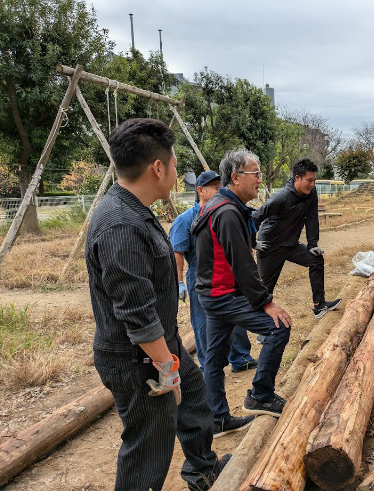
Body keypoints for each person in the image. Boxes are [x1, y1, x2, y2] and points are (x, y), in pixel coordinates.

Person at [85, 118, 226, 491]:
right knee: (149, 446)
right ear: (158, 167)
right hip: (137, 359)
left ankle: (202, 470)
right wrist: (167, 370)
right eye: (176, 164)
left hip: (160, 345)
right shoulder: (120, 225)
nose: (178, 172)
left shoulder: (135, 210)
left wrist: (173, 361)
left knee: (195, 400)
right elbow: (136, 315)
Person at [192, 148, 293, 436]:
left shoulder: (224, 205)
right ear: (236, 178)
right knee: (277, 327)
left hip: (213, 293)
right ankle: (260, 395)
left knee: (214, 356)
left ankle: (217, 418)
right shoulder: (225, 211)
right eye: (256, 173)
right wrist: (266, 303)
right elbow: (244, 264)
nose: (260, 180)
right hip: (222, 294)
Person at [169, 170, 257, 374]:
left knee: (237, 316)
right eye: (216, 188)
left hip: (228, 275)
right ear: (200, 190)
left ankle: (240, 357)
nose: (221, 191)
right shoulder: (186, 220)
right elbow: (178, 253)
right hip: (200, 278)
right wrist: (179, 282)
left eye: (221, 187)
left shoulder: (227, 211)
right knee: (203, 323)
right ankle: (209, 365)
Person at [252, 158, 341, 320]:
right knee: (264, 290)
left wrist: (312, 244)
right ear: (297, 178)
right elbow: (255, 218)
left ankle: (319, 305)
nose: (312, 184)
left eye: (314, 180)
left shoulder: (311, 193)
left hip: (291, 244)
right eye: (309, 180)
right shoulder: (282, 197)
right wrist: (253, 242)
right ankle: (262, 330)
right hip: (270, 246)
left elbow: (312, 217)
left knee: (316, 260)